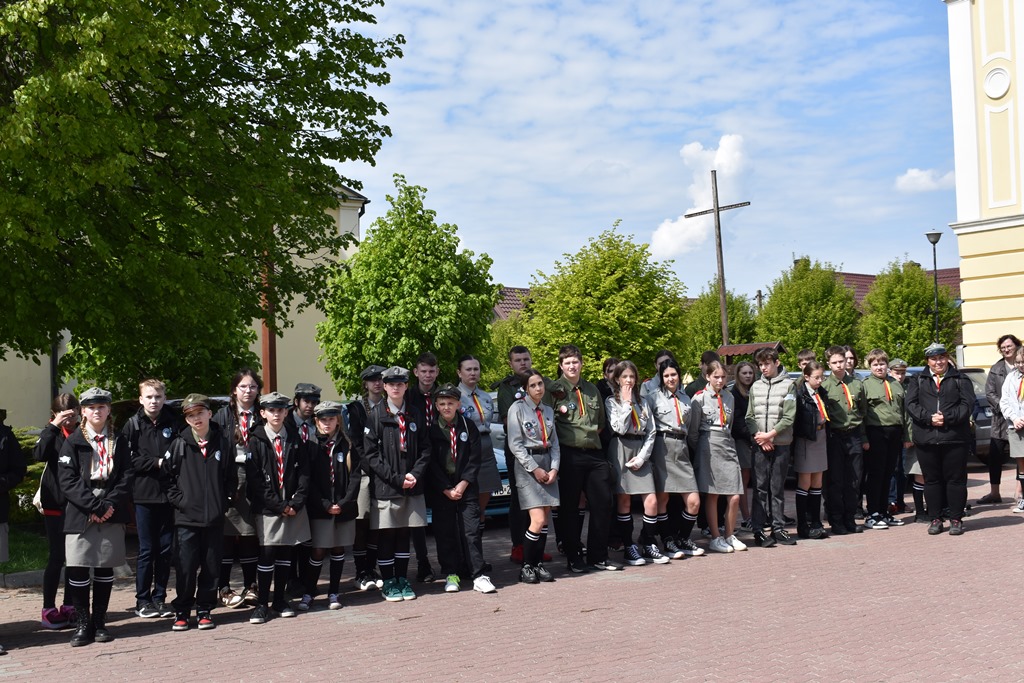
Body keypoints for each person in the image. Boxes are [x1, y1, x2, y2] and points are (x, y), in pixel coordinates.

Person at [57, 388, 130, 647]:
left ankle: (99, 623)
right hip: (82, 508)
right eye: (91, 407)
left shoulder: (120, 440)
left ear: (109, 410)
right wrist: (93, 506)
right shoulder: (73, 441)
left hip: (110, 505)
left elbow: (127, 475)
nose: (96, 411)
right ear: (83, 412)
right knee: (77, 565)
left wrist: (108, 504)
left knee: (104, 566)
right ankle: (82, 624)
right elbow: (67, 480)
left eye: (101, 406)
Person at [163, 394, 234, 632]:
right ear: (186, 419)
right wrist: (180, 502)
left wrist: (223, 501)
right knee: (186, 567)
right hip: (187, 519)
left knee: (211, 567)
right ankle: (182, 611)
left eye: (200, 413)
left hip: (214, 518)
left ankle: (204, 609)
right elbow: (167, 478)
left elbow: (230, 477)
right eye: (191, 415)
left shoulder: (222, 442)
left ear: (209, 414)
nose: (197, 418)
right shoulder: (179, 443)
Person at [548, 344, 620, 573]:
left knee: (603, 503)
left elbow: (600, 423)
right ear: (561, 365)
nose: (572, 366)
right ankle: (574, 556)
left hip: (594, 453)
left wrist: (586, 436)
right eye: (567, 362)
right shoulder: (554, 390)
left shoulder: (591, 389)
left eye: (575, 362)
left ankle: (598, 556)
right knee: (569, 508)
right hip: (569, 454)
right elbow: (548, 423)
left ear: (581, 364)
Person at [364, 366, 432, 602]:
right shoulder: (375, 416)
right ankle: (389, 582)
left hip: (412, 485)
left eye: (400, 384)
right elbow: (371, 455)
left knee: (404, 533)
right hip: (387, 487)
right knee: (387, 535)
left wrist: (414, 474)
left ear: (406, 386)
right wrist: (396, 478)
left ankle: (402, 579)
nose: (395, 387)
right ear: (384, 387)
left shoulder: (415, 413)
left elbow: (425, 448)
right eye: (391, 384)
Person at [247, 391, 311, 623]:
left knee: (286, 553)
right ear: (263, 413)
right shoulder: (256, 440)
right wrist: (279, 505)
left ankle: (280, 600)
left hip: (292, 505)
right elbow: (255, 480)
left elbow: (304, 473)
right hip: (269, 507)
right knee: (267, 554)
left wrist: (295, 503)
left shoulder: (294, 437)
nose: (276, 414)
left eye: (280, 410)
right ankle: (262, 604)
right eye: (271, 410)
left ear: (286, 412)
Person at [427, 383, 496, 594]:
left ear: (458, 404)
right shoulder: (431, 429)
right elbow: (430, 462)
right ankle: (451, 574)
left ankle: (478, 575)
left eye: (450, 403)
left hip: (466, 487)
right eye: (442, 404)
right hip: (442, 489)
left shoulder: (468, 426)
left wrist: (463, 484)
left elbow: (474, 459)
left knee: (471, 531)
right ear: (436, 406)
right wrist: (446, 488)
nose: (446, 407)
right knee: (445, 532)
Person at [905, 343, 975, 536]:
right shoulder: (918, 379)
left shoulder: (960, 379)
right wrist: (929, 418)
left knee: (956, 480)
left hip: (955, 438)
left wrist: (947, 418)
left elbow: (967, 404)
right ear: (927, 361)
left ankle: (956, 519)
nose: (938, 362)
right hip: (926, 439)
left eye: (942, 357)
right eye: (934, 359)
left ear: (947, 358)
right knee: (932, 481)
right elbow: (911, 404)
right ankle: (935, 519)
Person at [122, 378, 178, 619]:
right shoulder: (133, 425)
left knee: (165, 550)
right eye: (149, 397)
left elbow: (180, 453)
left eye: (158, 397)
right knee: (147, 549)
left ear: (164, 398)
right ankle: (142, 600)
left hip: (168, 494)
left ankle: (160, 597)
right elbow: (128, 459)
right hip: (143, 495)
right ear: (141, 399)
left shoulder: (173, 422)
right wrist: (156, 462)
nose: (154, 401)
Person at [299, 401, 359, 611]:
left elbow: (355, 477)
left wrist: (343, 503)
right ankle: (309, 592)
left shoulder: (347, 444)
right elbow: (307, 479)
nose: (327, 423)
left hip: (343, 507)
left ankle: (334, 592)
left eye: (331, 419)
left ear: (338, 420)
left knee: (338, 548)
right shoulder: (310, 445)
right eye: (323, 419)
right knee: (317, 550)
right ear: (316, 421)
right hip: (320, 508)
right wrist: (325, 504)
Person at [212, 369, 263, 608]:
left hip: (255, 477)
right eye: (243, 386)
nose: (248, 391)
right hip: (230, 477)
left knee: (250, 535)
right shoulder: (222, 416)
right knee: (227, 535)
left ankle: (251, 585)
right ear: (234, 390)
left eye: (252, 386)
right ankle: (223, 588)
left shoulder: (262, 414)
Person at [606, 360, 666, 565]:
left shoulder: (644, 401)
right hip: (621, 448)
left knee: (651, 501)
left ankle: (648, 542)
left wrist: (642, 457)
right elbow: (619, 428)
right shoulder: (611, 402)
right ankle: (628, 546)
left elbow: (651, 431)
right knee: (624, 501)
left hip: (640, 450)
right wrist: (626, 404)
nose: (629, 380)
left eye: (632, 376)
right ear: (617, 379)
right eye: (624, 377)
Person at [505, 369, 560, 583]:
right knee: (537, 519)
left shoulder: (548, 410)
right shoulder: (517, 409)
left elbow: (554, 443)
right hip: (528, 466)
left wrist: (554, 468)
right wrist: (534, 468)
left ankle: (538, 564)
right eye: (533, 385)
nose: (538, 388)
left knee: (544, 520)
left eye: (540, 384)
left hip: (547, 463)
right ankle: (526, 566)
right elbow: (515, 444)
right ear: (525, 388)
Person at [646, 359, 704, 557]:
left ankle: (683, 538)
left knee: (694, 501)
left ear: (679, 375)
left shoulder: (685, 398)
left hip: (682, 447)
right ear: (661, 378)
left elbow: (690, 425)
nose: (670, 378)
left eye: (673, 374)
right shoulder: (653, 397)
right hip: (662, 447)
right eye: (666, 375)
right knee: (662, 498)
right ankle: (668, 540)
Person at [687, 361, 745, 553]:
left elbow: (730, 424)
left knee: (734, 495)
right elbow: (693, 433)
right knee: (713, 494)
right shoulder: (699, 398)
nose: (720, 380)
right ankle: (715, 537)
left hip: (727, 444)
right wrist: (702, 450)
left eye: (723, 377)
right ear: (707, 377)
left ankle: (729, 534)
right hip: (708, 446)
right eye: (716, 377)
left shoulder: (729, 397)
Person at [33, 393, 78, 630]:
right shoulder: (51, 433)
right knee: (57, 556)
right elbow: (39, 455)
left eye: (73, 415)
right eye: (64, 416)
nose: (69, 421)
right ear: (55, 415)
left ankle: (70, 604)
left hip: (77, 504)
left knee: (75, 558)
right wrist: (54, 426)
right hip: (54, 503)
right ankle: (48, 608)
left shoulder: (83, 432)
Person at [746, 347, 797, 547]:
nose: (763, 368)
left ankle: (778, 528)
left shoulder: (789, 385)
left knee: (777, 488)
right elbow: (750, 416)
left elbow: (789, 416)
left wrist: (771, 435)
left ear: (777, 363)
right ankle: (758, 530)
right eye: (760, 364)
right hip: (760, 444)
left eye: (767, 363)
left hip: (781, 444)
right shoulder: (755, 386)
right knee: (759, 489)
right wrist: (760, 437)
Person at [347, 364, 386, 591]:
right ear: (365, 383)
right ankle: (361, 570)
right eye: (372, 380)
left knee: (377, 525)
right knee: (361, 521)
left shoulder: (390, 405)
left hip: (385, 472)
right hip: (365, 471)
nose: (377, 383)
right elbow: (356, 442)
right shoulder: (357, 408)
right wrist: (372, 467)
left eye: (380, 379)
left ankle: (372, 567)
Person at [822, 345, 868, 535]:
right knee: (836, 481)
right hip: (835, 436)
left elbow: (863, 410)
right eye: (834, 362)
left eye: (841, 361)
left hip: (854, 434)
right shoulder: (825, 386)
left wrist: (863, 436)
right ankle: (836, 520)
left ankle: (850, 518)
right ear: (829, 364)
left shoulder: (857, 384)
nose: (839, 365)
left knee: (854, 479)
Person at [861, 349, 909, 530]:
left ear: (887, 365)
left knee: (889, 473)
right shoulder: (866, 385)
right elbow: (862, 413)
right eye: (875, 364)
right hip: (876, 432)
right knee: (876, 474)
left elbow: (903, 412)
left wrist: (907, 435)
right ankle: (873, 513)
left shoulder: (895, 384)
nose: (879, 367)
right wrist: (864, 437)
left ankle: (884, 511)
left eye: (882, 364)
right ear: (870, 366)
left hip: (895, 432)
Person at [456, 355, 501, 527]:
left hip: (486, 447)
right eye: (468, 369)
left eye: (476, 369)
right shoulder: (455, 396)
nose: (473, 373)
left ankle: (478, 534)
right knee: (469, 502)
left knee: (484, 498)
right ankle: (468, 536)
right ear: (459, 373)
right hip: (466, 447)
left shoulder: (485, 397)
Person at [406, 352, 439, 583]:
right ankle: (423, 562)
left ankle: (451, 560)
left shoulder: (443, 394)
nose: (428, 375)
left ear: (437, 372)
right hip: (416, 462)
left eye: (431, 371)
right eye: (423, 371)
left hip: (440, 460)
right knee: (417, 517)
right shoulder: (407, 397)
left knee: (443, 514)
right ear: (416, 372)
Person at [982, 335, 1022, 504]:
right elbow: (990, 392)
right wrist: (1006, 410)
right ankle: (994, 493)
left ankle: (1019, 492)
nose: (1006, 349)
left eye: (1009, 346)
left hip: (1020, 420)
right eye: (1003, 347)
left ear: (1016, 346)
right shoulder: (996, 368)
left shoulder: (1021, 365)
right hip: (1000, 420)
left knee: (1020, 456)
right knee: (995, 457)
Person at [792, 361, 829, 539]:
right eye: (816, 377)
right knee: (804, 482)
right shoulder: (800, 394)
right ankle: (802, 525)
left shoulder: (821, 392)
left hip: (821, 437)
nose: (820, 381)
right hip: (807, 439)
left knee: (817, 481)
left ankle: (816, 521)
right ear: (806, 377)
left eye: (822, 377)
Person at [730, 361, 756, 531]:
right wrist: (752, 436)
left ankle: (758, 515)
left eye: (750, 373)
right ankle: (746, 518)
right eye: (744, 373)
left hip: (758, 439)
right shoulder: (734, 394)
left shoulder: (756, 390)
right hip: (743, 440)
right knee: (744, 480)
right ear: (738, 375)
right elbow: (738, 421)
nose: (747, 376)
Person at [999, 346, 1024, 513]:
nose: (1021, 365)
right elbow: (1004, 401)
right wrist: (1014, 418)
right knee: (1021, 464)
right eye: (1018, 362)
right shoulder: (1011, 377)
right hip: (1016, 426)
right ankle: (1023, 498)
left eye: (1023, 362)